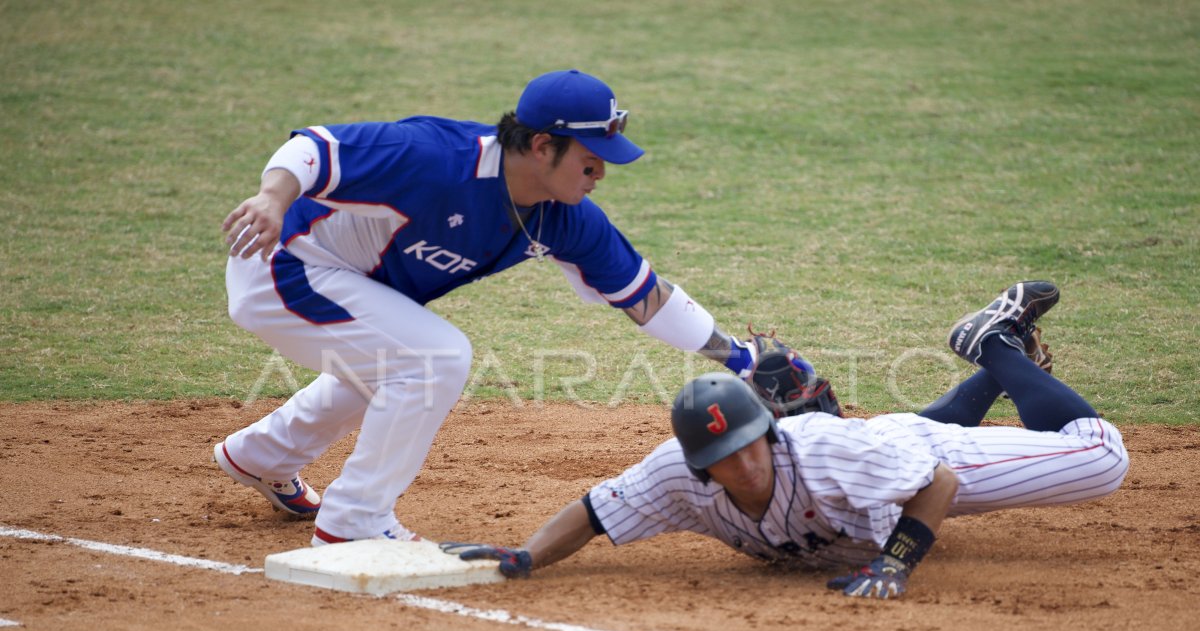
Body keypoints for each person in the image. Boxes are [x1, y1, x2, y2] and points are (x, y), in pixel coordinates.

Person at [214, 69, 803, 547]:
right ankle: (354, 523)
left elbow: (645, 297)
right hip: (281, 262)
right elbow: (316, 148)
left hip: (344, 282)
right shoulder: (439, 157)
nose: (600, 174)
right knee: (433, 360)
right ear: (542, 144)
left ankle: (262, 456)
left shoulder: (564, 215)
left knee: (396, 362)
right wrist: (272, 196)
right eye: (590, 159)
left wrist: (742, 358)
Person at [442, 281, 1130, 600]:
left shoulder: (824, 451)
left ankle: (993, 344)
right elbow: (594, 511)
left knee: (1101, 459)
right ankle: (992, 366)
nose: (743, 463)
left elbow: (937, 483)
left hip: (910, 465)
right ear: (699, 466)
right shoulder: (674, 476)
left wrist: (896, 564)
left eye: (751, 445)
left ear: (770, 432)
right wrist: (527, 556)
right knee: (901, 449)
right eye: (723, 458)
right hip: (883, 458)